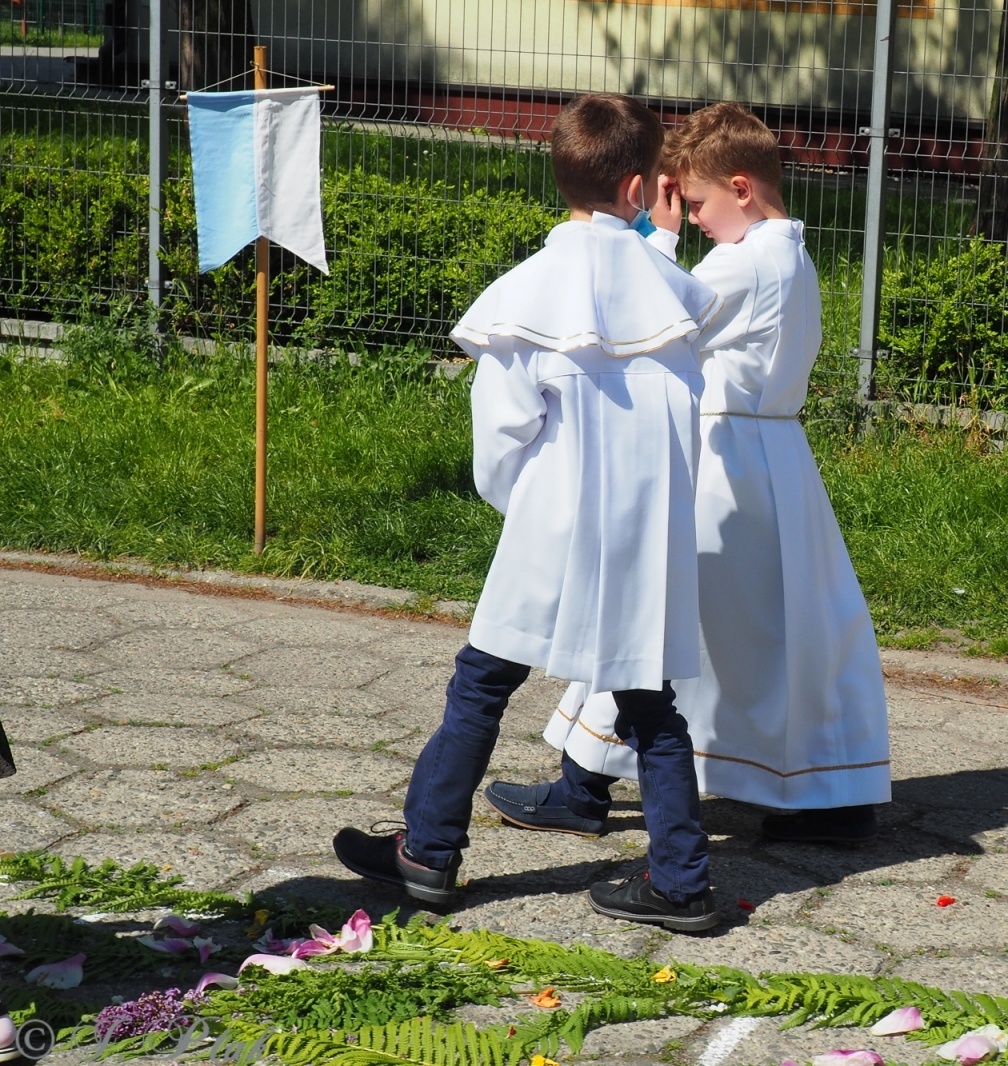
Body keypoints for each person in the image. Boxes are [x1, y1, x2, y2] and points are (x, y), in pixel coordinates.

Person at [332, 93, 726, 934]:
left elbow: (501, 438)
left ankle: (430, 851)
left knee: (482, 684)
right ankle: (682, 879)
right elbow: (686, 421)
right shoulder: (675, 293)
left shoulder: (528, 293)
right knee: (650, 702)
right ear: (636, 187)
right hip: (644, 530)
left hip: (552, 525)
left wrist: (527, 510)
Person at [484, 102, 893, 845]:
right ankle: (831, 792)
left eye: (698, 202)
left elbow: (658, 321)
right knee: (794, 630)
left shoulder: (745, 261)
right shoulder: (789, 248)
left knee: (645, 618)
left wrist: (656, 244)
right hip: (775, 467)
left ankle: (583, 785)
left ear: (741, 187)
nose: (694, 218)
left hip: (723, 465)